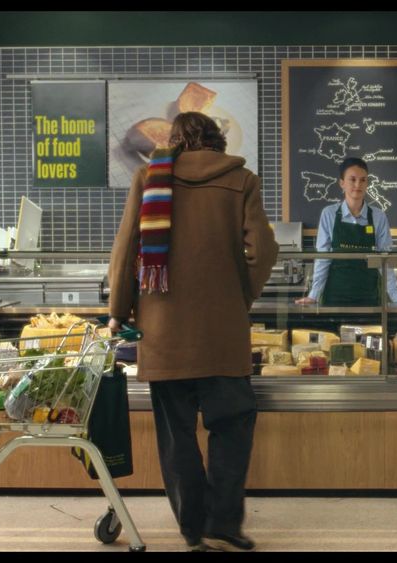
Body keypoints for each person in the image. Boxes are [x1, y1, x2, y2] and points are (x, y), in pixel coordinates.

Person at [108, 111, 277, 552]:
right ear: (217, 140)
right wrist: (240, 296)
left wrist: (117, 310)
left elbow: (127, 250)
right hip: (223, 332)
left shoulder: (150, 177)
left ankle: (192, 528)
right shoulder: (242, 180)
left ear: (177, 142)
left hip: (164, 334)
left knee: (176, 433)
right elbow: (264, 250)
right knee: (233, 425)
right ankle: (224, 523)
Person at [294, 157, 397, 306]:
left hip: (368, 297)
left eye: (363, 180)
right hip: (335, 297)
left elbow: (385, 260)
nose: (358, 184)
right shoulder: (329, 214)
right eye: (352, 179)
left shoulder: (378, 216)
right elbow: (323, 257)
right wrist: (314, 296)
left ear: (367, 183)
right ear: (342, 183)